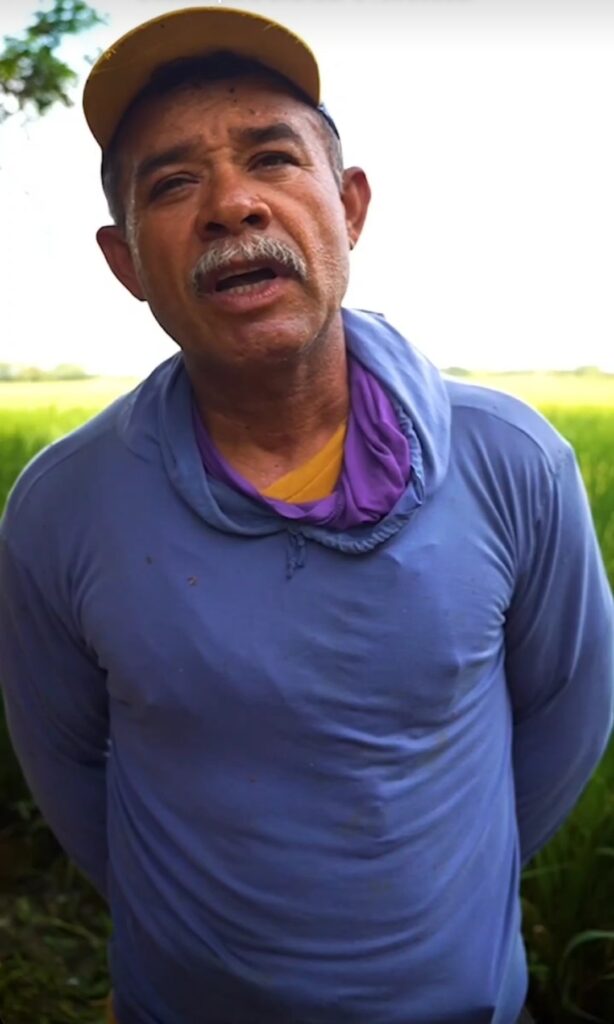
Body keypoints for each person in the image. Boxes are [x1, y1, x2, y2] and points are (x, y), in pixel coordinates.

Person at [0, 6, 612, 1024]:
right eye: (172, 183)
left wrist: (440, 902)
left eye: (273, 159)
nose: (231, 205)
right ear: (125, 262)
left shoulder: (513, 461)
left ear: (350, 205)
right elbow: (66, 765)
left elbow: (566, 716)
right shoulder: (61, 507)